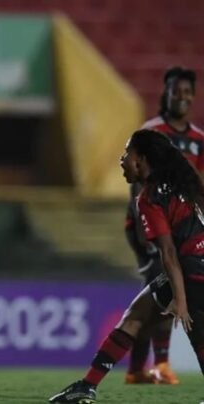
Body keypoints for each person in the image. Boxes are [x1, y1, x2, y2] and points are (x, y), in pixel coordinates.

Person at [49, 129, 204, 404]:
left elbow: (168, 253)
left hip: (192, 269)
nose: (122, 160)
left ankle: (87, 386)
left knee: (135, 318)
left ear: (140, 159)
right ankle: (86, 386)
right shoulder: (184, 182)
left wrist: (180, 300)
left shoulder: (149, 198)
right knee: (195, 332)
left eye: (126, 153)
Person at [124, 66, 204, 385]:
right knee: (162, 290)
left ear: (193, 96)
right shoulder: (152, 132)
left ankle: (138, 369)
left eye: (186, 91)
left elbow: (198, 185)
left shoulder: (199, 139)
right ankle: (160, 363)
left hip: (182, 228)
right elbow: (137, 184)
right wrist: (143, 230)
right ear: (166, 93)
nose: (181, 96)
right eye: (175, 90)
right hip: (151, 225)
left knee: (156, 297)